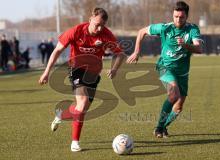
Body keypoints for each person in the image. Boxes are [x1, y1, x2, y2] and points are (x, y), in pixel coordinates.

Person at [39, 8, 126, 152]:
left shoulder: (106, 34)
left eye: (102, 26)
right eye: (97, 24)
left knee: (81, 109)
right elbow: (57, 51)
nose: (99, 29)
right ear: (90, 18)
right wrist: (46, 72)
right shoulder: (76, 31)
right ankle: (75, 143)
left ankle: (62, 114)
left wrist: (115, 68)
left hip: (93, 74)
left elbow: (120, 54)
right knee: (83, 101)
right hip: (76, 69)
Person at [127, 1, 203, 138]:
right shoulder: (165, 28)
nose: (178, 20)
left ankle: (163, 127)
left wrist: (186, 45)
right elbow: (141, 31)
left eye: (181, 17)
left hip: (183, 73)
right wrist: (137, 51)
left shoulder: (192, 29)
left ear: (187, 17)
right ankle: (158, 128)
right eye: (175, 16)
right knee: (174, 94)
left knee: (179, 107)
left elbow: (199, 49)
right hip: (165, 67)